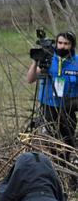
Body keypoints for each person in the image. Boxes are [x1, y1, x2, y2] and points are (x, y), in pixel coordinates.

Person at [26, 31, 78, 189]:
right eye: (60, 43)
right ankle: (52, 178)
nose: (62, 46)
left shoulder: (76, 63)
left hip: (68, 109)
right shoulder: (49, 59)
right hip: (48, 107)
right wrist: (36, 62)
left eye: (66, 44)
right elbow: (30, 79)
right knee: (50, 145)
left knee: (67, 144)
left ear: (72, 46)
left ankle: (70, 179)